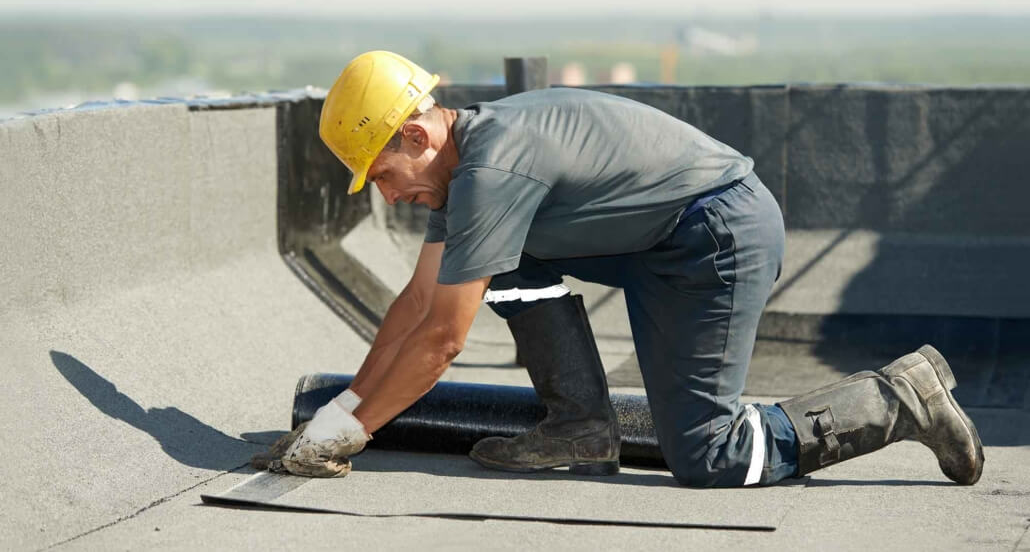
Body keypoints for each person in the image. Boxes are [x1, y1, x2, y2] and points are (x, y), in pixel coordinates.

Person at [254, 50, 983, 488]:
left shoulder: (492, 167)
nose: (388, 196)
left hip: (717, 237)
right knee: (493, 262)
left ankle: (895, 401)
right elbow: (416, 306)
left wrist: (349, 436)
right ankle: (580, 425)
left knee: (709, 455)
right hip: (663, 240)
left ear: (415, 131)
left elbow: (442, 341)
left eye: (384, 174)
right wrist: (340, 412)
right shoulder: (462, 172)